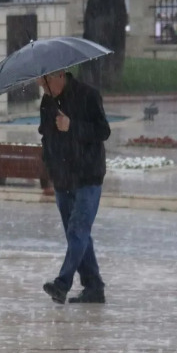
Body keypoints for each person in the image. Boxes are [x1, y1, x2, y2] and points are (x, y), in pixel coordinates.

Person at [36, 70, 111, 304]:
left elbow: (103, 131)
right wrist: (50, 162)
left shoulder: (88, 95)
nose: (43, 88)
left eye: (45, 82)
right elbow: (45, 134)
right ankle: (94, 286)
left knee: (78, 230)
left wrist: (72, 126)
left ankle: (62, 283)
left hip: (88, 177)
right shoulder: (48, 101)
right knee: (77, 234)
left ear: (58, 75)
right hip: (62, 178)